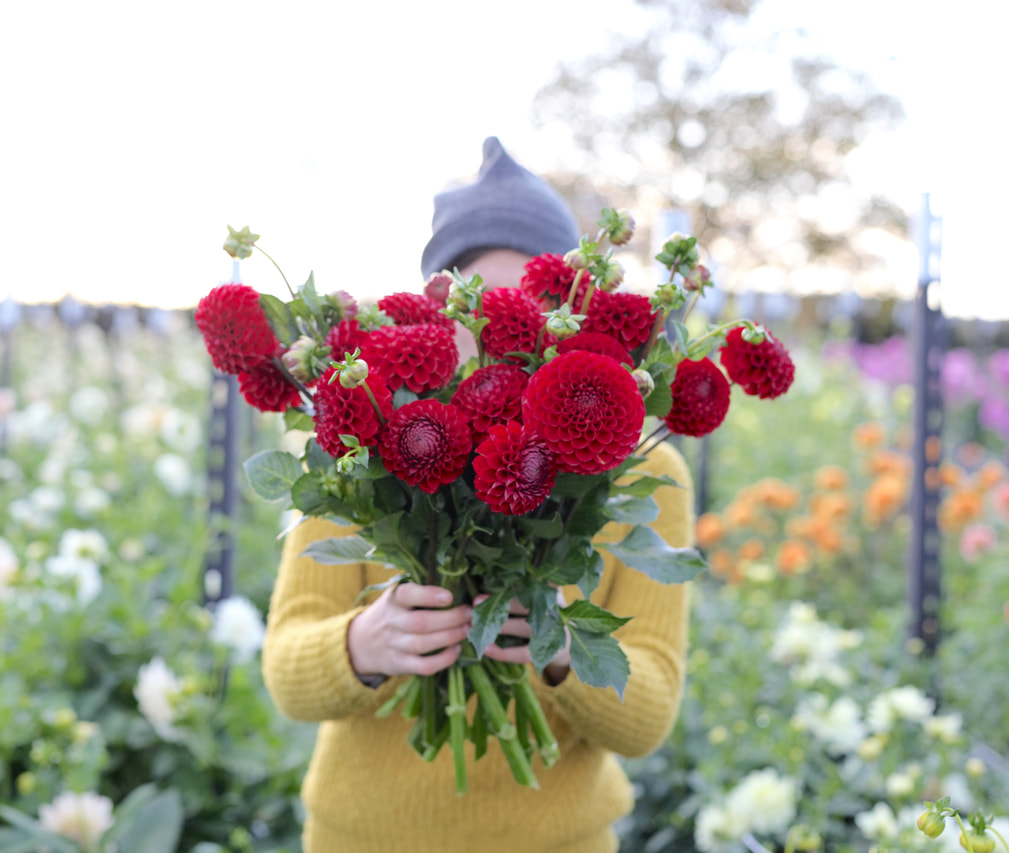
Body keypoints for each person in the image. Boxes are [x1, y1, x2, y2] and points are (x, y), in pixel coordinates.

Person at [261, 137, 694, 853]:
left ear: (575, 313)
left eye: (533, 304)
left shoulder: (644, 476)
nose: (503, 330)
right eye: (478, 305)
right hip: (363, 838)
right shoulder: (365, 448)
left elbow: (648, 716)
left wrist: (557, 642)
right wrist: (363, 643)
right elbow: (285, 669)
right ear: (437, 314)